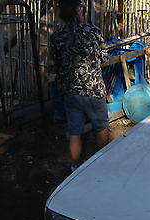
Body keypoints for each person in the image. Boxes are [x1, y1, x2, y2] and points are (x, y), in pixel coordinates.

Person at [48, 0, 110, 172]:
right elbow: (104, 58)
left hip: (70, 91)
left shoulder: (56, 36)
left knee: (74, 131)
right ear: (77, 10)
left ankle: (75, 166)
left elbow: (53, 67)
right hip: (94, 89)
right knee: (101, 127)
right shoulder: (93, 32)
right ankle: (101, 163)